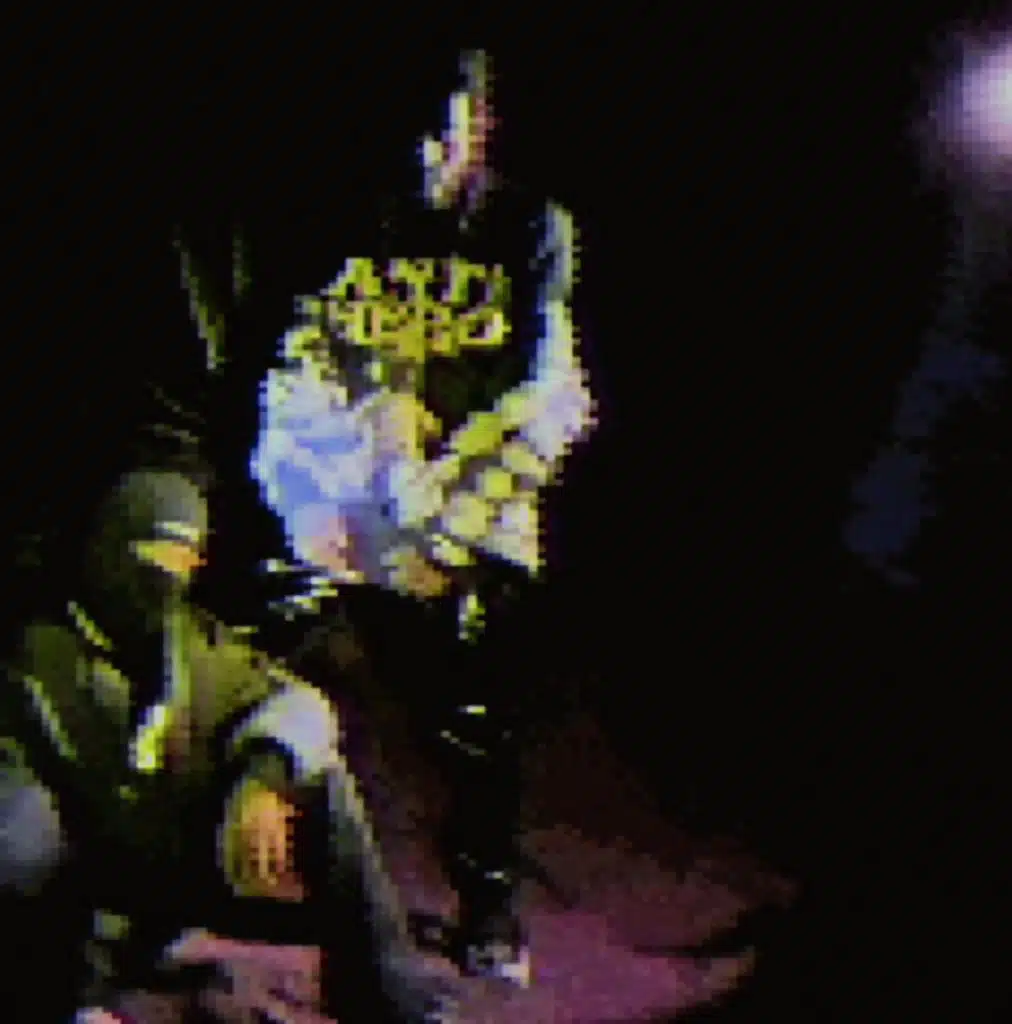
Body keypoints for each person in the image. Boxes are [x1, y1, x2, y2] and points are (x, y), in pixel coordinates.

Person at [251, 47, 596, 986]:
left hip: (474, 499)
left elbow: (540, 395)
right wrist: (320, 495)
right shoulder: (346, 222)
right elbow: (296, 370)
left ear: (478, 127)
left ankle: (489, 898)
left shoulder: (529, 228)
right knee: (256, 627)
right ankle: (230, 860)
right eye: (406, 137)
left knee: (477, 692)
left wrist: (439, 517)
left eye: (440, 135)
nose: (420, 157)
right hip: (357, 490)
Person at [1, 459, 453, 1022]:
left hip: (178, 875)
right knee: (24, 825)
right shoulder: (32, 660)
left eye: (183, 563)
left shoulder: (194, 646)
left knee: (320, 778)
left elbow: (301, 703)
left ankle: (383, 987)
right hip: (76, 904)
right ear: (106, 554)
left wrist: (264, 776)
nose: (165, 584)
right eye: (151, 560)